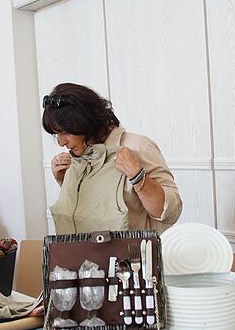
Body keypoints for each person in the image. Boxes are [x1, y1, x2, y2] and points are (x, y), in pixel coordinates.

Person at [42, 82, 182, 234]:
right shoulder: (79, 158)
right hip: (82, 256)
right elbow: (94, 213)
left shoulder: (138, 147)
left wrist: (138, 177)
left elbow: (172, 212)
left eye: (66, 132)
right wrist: (66, 183)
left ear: (85, 123)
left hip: (131, 256)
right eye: (57, 134)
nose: (62, 142)